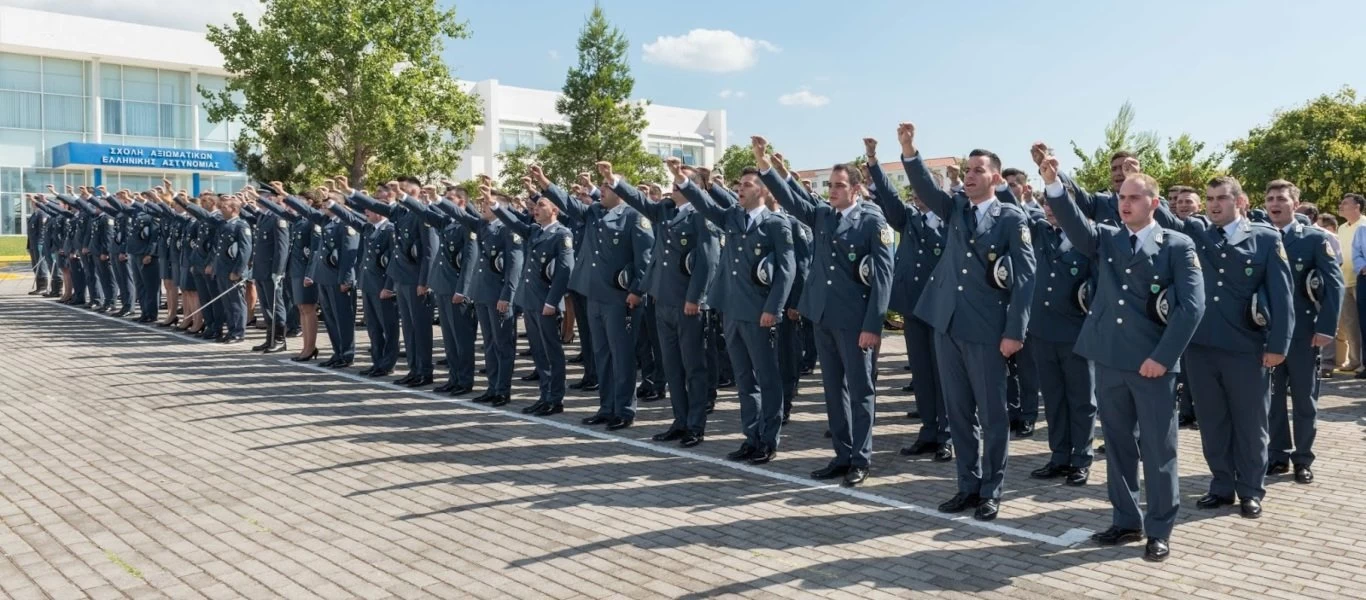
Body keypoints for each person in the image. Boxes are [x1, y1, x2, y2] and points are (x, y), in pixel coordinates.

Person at [1040, 148, 1203, 563]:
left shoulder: (1177, 244)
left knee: (1158, 449)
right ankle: (1125, 519)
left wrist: (1163, 358)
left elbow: (1191, 307)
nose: (1123, 203)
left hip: (1152, 365)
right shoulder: (1108, 239)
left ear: (1153, 202)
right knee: (1117, 446)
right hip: (1110, 360)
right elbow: (1077, 227)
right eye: (1121, 198)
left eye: (1132, 198)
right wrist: (1055, 184)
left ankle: (1160, 528)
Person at [898, 122, 1036, 522]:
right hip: (948, 325)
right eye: (968, 171)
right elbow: (925, 190)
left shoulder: (1012, 218)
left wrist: (1015, 331)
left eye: (978, 170)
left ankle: (992, 489)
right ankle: (967, 485)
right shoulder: (956, 207)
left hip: (988, 331)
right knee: (958, 412)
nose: (970, 176)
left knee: (993, 415)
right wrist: (910, 151)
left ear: (994, 176)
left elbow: (1025, 279)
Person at [758, 137, 893, 487]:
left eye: (838, 186)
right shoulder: (822, 216)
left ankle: (861, 459)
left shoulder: (872, 221)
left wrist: (873, 325)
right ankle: (842, 454)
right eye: (830, 186)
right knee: (833, 390)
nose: (831, 191)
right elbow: (789, 199)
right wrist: (764, 167)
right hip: (823, 318)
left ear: (856, 188)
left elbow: (882, 278)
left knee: (860, 391)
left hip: (855, 322)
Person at [1158, 176, 1294, 520]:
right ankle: (1221, 486)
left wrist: (1278, 345)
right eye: (1209, 199)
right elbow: (1164, 218)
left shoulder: (1265, 238)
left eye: (1221, 198)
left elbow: (1282, 296)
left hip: (1247, 349)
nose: (1213, 204)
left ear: (1241, 201)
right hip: (1201, 348)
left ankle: (1251, 490)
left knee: (1250, 424)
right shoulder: (1198, 233)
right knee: (1213, 421)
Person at [676, 161, 795, 464]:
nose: (740, 189)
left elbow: (786, 270)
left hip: (760, 314)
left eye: (747, 185)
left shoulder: (775, 224)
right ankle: (751, 436)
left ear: (763, 190)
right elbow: (705, 205)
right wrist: (686, 183)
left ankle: (769, 440)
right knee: (744, 380)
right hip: (732, 312)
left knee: (767, 379)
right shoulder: (732, 217)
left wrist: (774, 309)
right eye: (739, 185)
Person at [536, 163, 653, 430]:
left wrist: (636, 291)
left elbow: (644, 260)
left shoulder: (635, 217)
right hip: (594, 296)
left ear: (621, 192)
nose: (601, 191)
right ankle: (606, 407)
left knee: (621, 355)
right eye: (600, 187)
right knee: (601, 354)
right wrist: (545, 182)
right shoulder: (595, 212)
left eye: (606, 187)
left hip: (620, 298)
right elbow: (567, 203)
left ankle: (624, 409)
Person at [615, 163, 719, 446]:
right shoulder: (665, 211)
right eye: (673, 182)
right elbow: (639, 200)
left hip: (689, 305)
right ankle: (680, 421)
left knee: (693, 368)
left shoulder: (702, 217)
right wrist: (614, 179)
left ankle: (696, 425)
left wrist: (695, 298)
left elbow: (708, 261)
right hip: (663, 302)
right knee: (673, 367)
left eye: (680, 181)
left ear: (694, 188)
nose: (673, 186)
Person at [1264, 180, 1343, 485]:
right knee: (1272, 399)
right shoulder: (1260, 238)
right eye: (1270, 198)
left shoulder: (1313, 239)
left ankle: (1303, 459)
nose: (1275, 203)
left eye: (1281, 199)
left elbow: (1334, 284)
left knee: (1304, 399)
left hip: (1303, 334)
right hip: (1269, 335)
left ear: (1295, 205)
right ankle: (1278, 454)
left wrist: (1326, 328)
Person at [494, 183, 575, 416]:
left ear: (555, 211)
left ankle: (555, 398)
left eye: (541, 205)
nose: (536, 209)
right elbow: (514, 223)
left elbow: (564, 271)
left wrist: (552, 302)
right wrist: (494, 206)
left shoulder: (562, 235)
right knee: (539, 353)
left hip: (545, 303)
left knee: (552, 353)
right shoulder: (536, 231)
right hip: (530, 300)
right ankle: (544, 395)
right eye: (535, 206)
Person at [1337, 193, 1364, 375]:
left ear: (1357, 207)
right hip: (1344, 280)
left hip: (1361, 279)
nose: (1341, 206)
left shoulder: (1364, 225)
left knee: (1364, 323)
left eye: (1345, 203)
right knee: (1350, 324)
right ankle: (1354, 360)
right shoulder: (1341, 228)